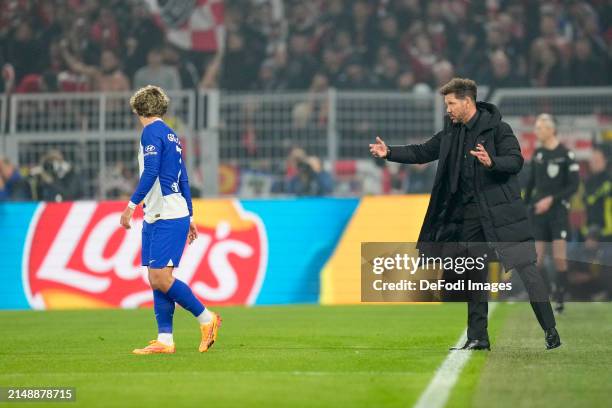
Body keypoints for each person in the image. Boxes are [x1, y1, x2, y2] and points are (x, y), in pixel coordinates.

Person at [369, 78, 561, 351]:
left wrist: (492, 162)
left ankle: (550, 329)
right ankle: (479, 337)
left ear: (467, 101)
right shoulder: (451, 132)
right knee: (473, 274)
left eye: (450, 104)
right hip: (470, 218)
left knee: (526, 268)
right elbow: (423, 152)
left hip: (501, 214)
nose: (447, 109)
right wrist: (389, 152)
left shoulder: (498, 129)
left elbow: (516, 160)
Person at [120, 85, 221, 355]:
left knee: (160, 277)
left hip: (165, 213)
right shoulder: (172, 135)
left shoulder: (150, 131)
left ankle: (207, 318)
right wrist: (191, 215)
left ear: (137, 109)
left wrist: (131, 205)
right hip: (162, 213)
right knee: (157, 278)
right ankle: (164, 339)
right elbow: (183, 177)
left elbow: (151, 170)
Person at [525, 114, 579, 313]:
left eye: (540, 127)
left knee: (559, 258)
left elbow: (574, 185)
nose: (537, 131)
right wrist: (524, 206)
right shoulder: (538, 153)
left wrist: (551, 200)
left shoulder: (566, 154)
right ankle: (546, 295)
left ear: (551, 129)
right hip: (539, 213)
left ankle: (560, 297)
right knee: (536, 259)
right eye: (536, 127)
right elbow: (530, 184)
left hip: (558, 212)